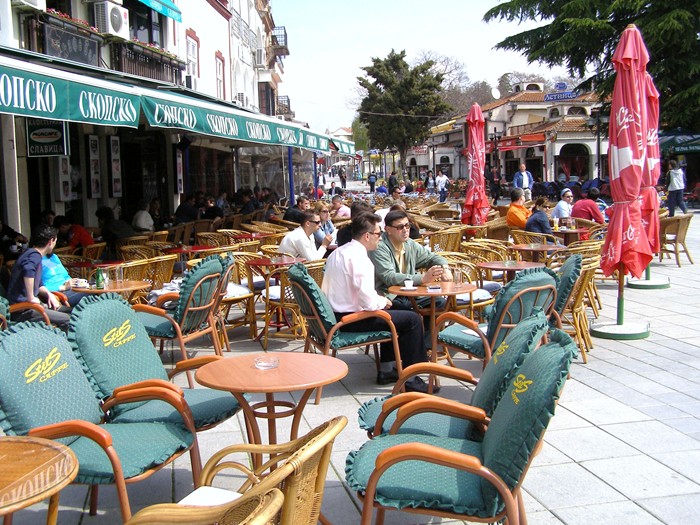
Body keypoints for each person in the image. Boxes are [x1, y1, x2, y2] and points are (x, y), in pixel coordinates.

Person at [322, 213, 433, 393]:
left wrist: (383, 302)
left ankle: (387, 369)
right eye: (378, 234)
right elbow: (369, 302)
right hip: (351, 319)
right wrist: (382, 301)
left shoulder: (338, 252)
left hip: (338, 313)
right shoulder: (360, 259)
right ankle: (413, 378)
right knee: (412, 319)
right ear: (367, 236)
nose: (380, 238)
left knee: (398, 309)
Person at [369, 209, 452, 313]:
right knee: (408, 311)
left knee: (440, 303)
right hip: (389, 296)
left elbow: (432, 257)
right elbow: (388, 276)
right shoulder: (380, 247)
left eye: (407, 225)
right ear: (388, 230)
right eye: (400, 227)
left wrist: (445, 268)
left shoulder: (409, 244)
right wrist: (422, 279)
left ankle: (431, 329)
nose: (405, 230)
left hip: (411, 294)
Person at [6, 224, 71, 330]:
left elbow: (39, 284)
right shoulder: (34, 255)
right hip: (24, 310)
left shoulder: (31, 254)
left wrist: (49, 294)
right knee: (68, 319)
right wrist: (31, 297)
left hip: (32, 307)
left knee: (73, 312)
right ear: (51, 241)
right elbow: (28, 269)